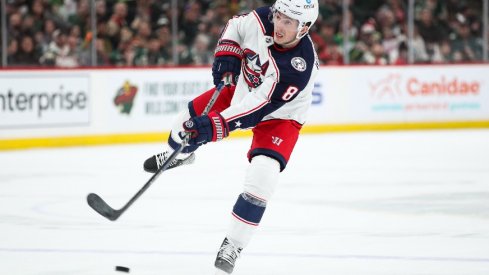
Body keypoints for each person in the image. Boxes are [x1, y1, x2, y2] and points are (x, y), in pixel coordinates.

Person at [144, 0, 319, 273]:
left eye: (289, 22)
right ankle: (181, 156)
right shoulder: (261, 20)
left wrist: (217, 125)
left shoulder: (297, 67)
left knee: (263, 176)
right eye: (279, 16)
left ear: (304, 27)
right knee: (182, 125)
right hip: (244, 88)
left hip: (280, 116)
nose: (279, 25)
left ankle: (234, 244)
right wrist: (227, 53)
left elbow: (259, 107)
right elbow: (235, 26)